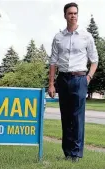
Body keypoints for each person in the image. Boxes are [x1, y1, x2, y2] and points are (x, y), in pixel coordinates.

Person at [48, 2, 98, 162]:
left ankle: (76, 154)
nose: (73, 15)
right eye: (70, 13)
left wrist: (88, 77)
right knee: (66, 116)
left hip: (79, 78)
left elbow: (94, 60)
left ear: (78, 15)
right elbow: (53, 62)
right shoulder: (58, 37)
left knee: (77, 117)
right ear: (65, 15)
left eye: (75, 13)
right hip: (62, 79)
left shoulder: (86, 36)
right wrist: (51, 84)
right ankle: (67, 153)